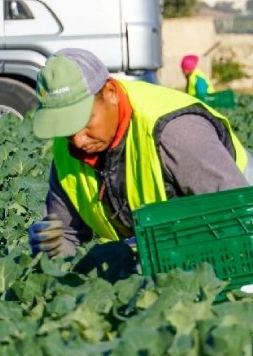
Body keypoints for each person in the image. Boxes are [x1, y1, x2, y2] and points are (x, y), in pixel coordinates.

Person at [28, 48, 253, 258]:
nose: (77, 139)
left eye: (83, 120)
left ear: (110, 94)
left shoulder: (176, 132)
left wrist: (150, 246)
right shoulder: (67, 148)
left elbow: (236, 217)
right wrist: (50, 245)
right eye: (65, 126)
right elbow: (65, 233)